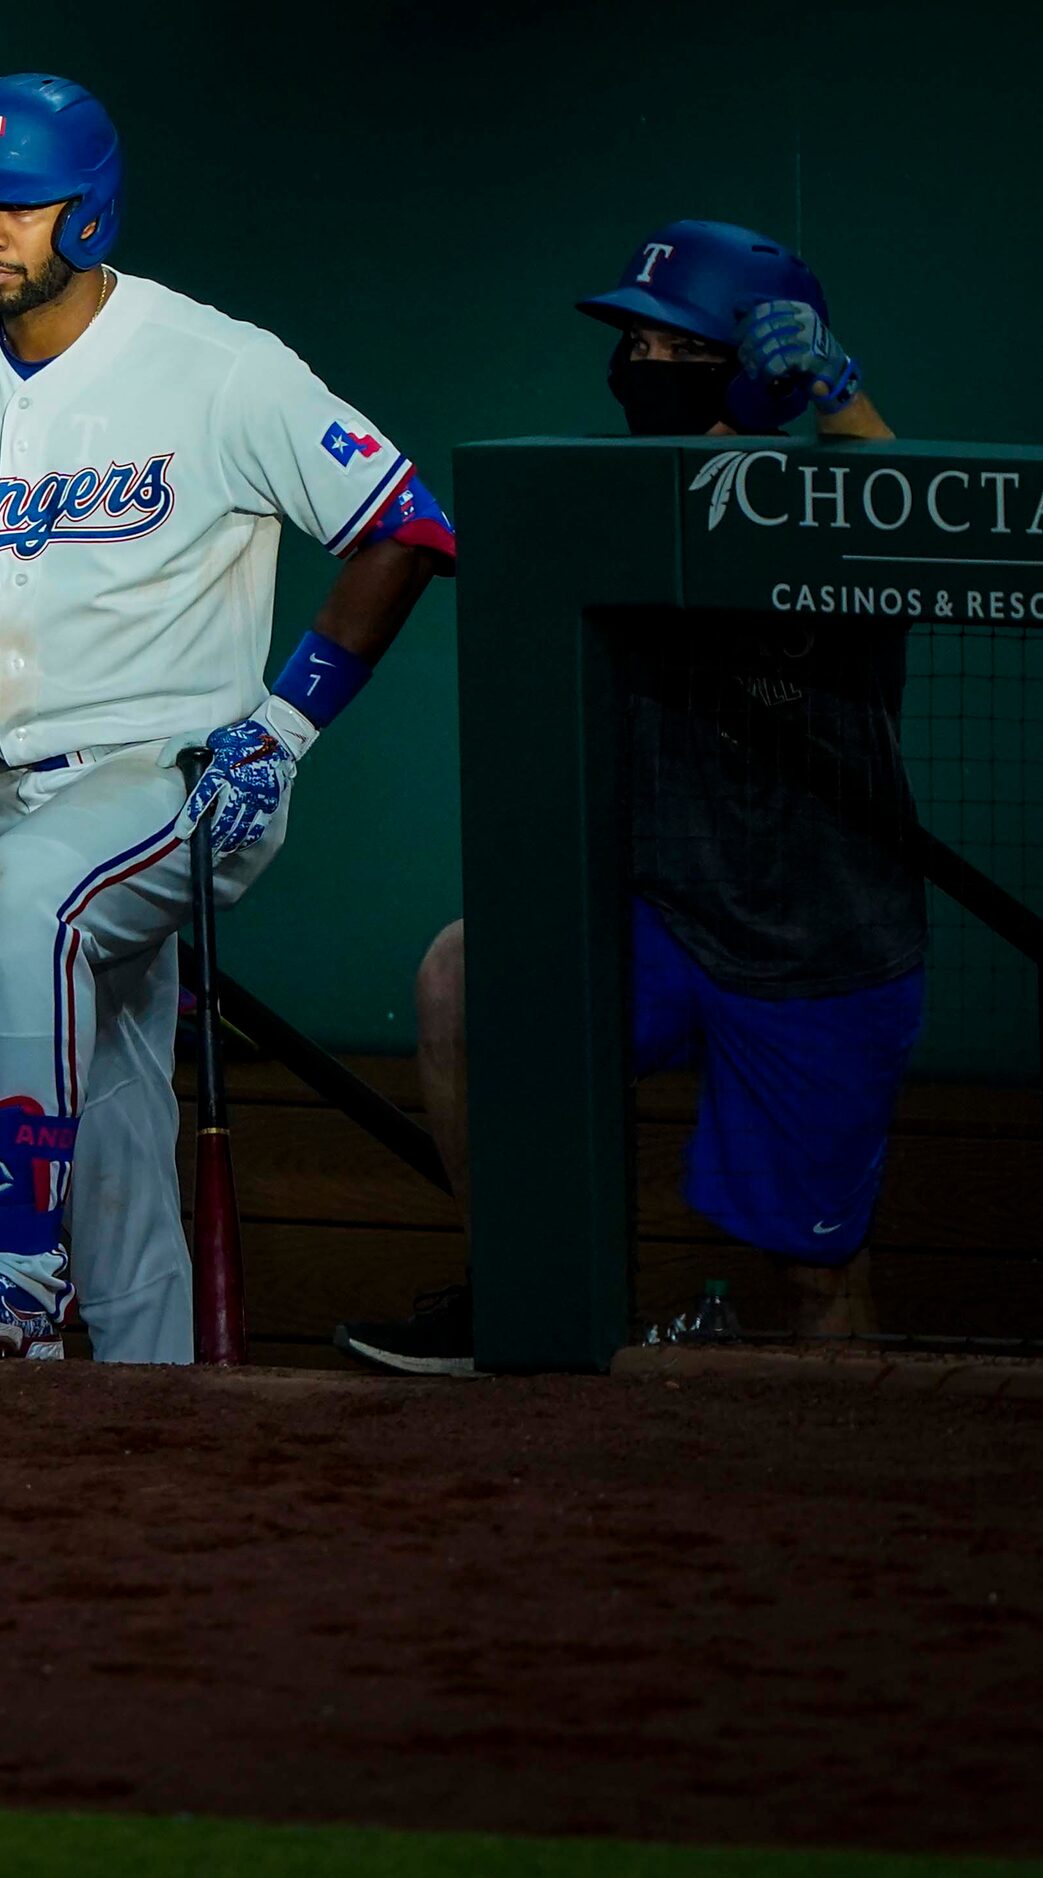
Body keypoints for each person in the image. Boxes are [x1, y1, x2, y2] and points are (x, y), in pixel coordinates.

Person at [0, 75, 455, 1362]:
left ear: (85, 214)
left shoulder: (217, 365)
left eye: (18, 205)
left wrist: (286, 725)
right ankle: (151, 1390)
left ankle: (10, 1251)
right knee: (121, 1121)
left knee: (27, 900)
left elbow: (407, 526)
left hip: (180, 774)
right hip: (9, 784)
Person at [339, 221, 914, 1374]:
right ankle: (514, 1288)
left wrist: (837, 398)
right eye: (633, 342)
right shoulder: (595, 502)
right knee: (460, 976)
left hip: (815, 942)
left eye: (675, 345)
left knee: (815, 1283)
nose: (640, 365)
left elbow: (901, 520)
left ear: (751, 365)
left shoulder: (825, 501)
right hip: (656, 919)